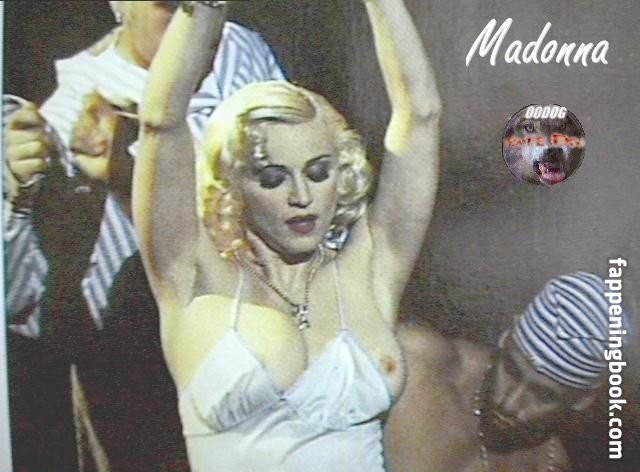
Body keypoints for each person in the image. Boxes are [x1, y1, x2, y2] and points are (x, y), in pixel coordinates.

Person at [134, 0, 440, 469]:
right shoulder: (193, 276)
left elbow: (420, 115)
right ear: (233, 185)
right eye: (273, 179)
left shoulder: (369, 270)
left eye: (318, 172)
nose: (302, 197)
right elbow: (160, 122)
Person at [4, 1, 285, 470]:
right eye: (171, 7)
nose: (199, 24)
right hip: (145, 389)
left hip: (267, 342)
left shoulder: (239, 46)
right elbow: (20, 307)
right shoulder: (66, 113)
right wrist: (18, 198)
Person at [385, 271, 622, 471]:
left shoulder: (549, 465)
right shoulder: (416, 363)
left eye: (542, 394)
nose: (509, 404)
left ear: (581, 400)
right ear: (505, 337)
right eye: (511, 370)